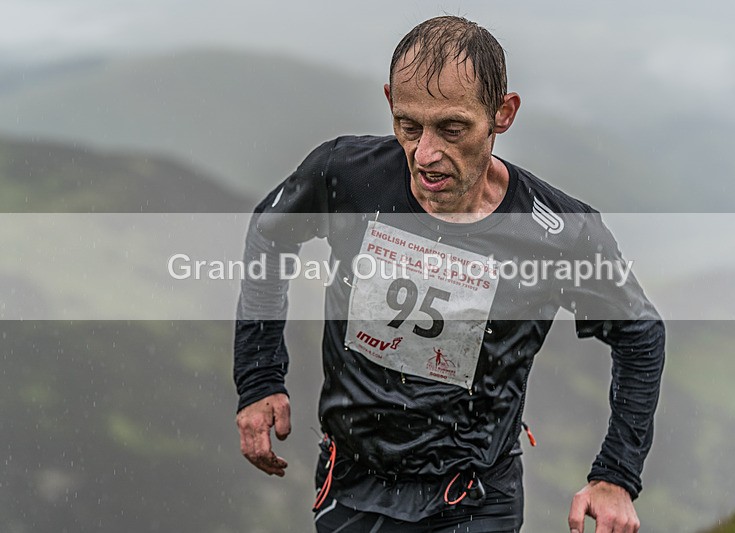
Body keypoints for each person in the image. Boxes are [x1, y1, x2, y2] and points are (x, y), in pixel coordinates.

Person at [234, 16, 665, 533]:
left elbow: (640, 334)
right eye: (408, 125)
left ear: (501, 115)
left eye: (452, 128)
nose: (425, 154)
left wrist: (616, 475)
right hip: (353, 487)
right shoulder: (346, 175)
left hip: (475, 497)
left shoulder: (561, 233)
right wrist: (258, 377)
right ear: (390, 100)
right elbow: (270, 233)